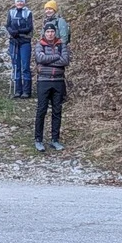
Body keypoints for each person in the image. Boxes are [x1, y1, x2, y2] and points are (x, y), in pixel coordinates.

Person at [33, 22, 70, 152]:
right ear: (44, 33)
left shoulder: (61, 45)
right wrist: (55, 57)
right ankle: (38, 139)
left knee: (57, 111)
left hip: (58, 81)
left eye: (52, 32)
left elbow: (65, 61)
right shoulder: (39, 45)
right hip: (44, 81)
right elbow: (39, 58)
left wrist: (48, 60)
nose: (50, 34)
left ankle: (55, 139)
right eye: (48, 32)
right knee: (41, 110)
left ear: (55, 33)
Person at [5, 0, 34, 99]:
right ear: (15, 3)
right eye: (18, 1)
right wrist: (12, 32)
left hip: (25, 41)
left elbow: (30, 27)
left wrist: (18, 31)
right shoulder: (11, 12)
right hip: (14, 42)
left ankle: (26, 91)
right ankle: (18, 90)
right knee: (16, 66)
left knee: (25, 66)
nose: (20, 3)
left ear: (24, 2)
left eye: (21, 1)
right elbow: (7, 25)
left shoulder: (28, 13)